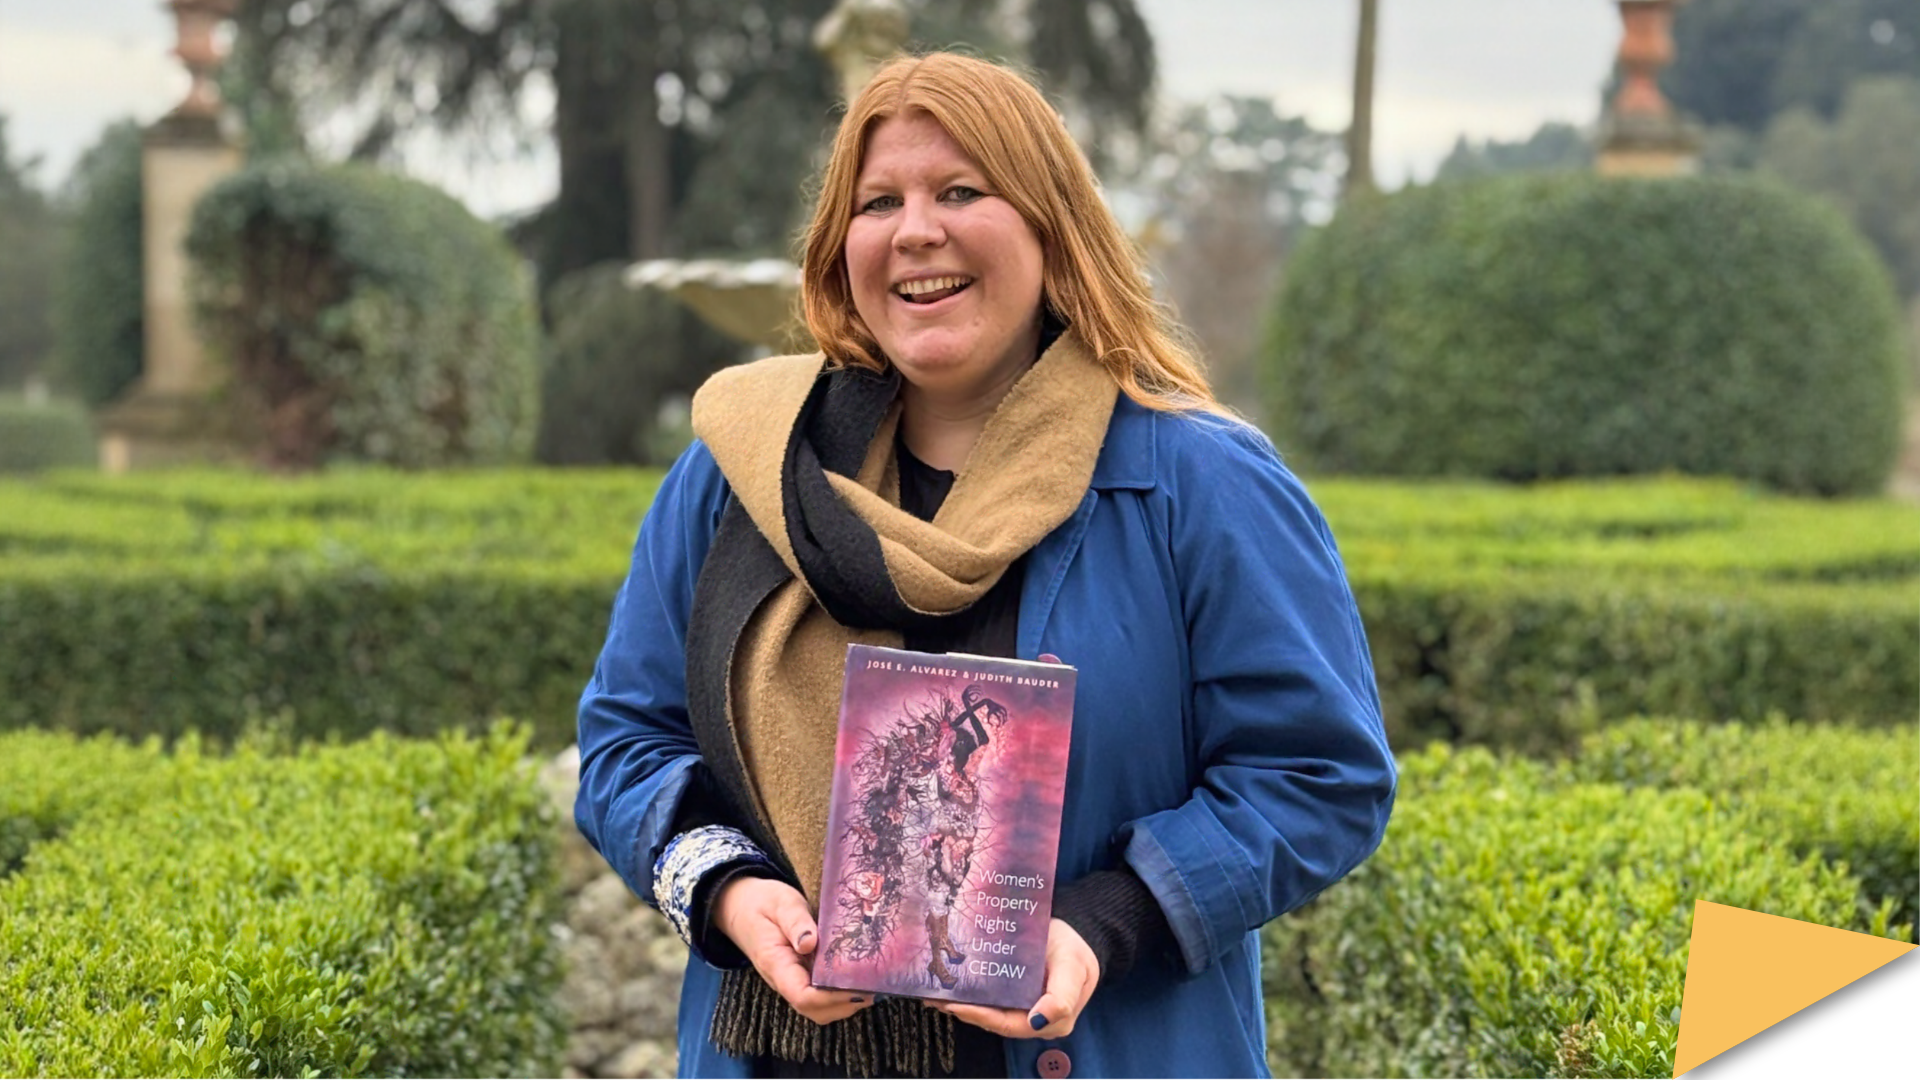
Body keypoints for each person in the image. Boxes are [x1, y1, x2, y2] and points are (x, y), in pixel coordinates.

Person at [574, 50, 1395, 1079]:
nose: (916, 230)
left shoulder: (1199, 480)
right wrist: (729, 890)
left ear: (1052, 226)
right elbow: (626, 744)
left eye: (961, 191)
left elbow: (1319, 773)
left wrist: (1109, 920)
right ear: (840, 246)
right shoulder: (741, 472)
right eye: (878, 202)